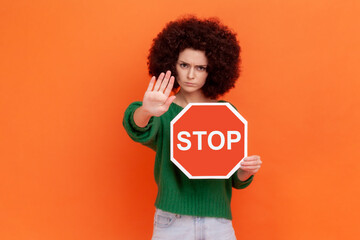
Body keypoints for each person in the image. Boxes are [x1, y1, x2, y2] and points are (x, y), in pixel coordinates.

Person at [123, 16, 262, 240]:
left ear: (213, 70)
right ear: (171, 64)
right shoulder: (163, 109)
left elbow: (235, 178)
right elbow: (137, 127)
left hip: (218, 222)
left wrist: (245, 170)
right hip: (172, 220)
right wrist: (146, 110)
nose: (190, 75)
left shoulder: (226, 112)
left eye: (200, 67)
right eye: (184, 65)